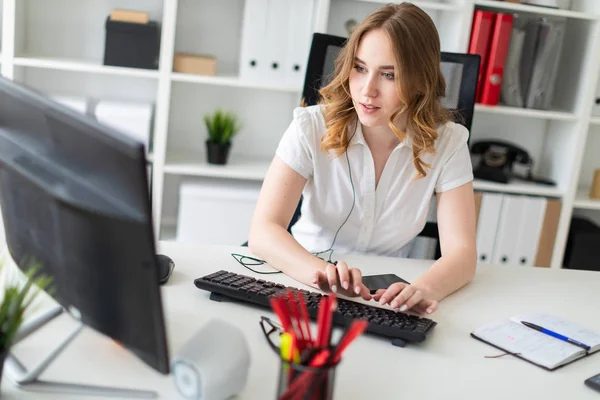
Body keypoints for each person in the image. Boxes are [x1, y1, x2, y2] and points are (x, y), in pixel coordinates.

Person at [248, 3, 477, 315]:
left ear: (420, 81)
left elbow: (462, 254)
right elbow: (263, 230)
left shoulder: (448, 142)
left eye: (389, 74)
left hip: (386, 296)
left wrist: (420, 290)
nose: (367, 90)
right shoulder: (310, 126)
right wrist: (323, 275)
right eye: (359, 68)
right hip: (305, 278)